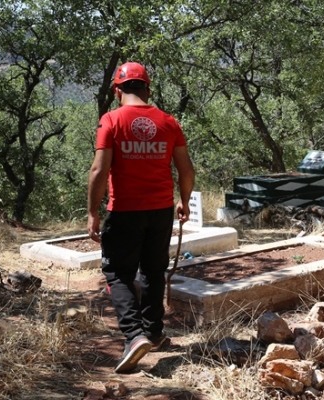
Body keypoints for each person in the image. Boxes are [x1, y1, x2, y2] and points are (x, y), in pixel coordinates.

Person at [87, 62, 195, 374]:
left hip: (125, 211)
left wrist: (92, 212)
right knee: (153, 270)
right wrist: (184, 201)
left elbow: (99, 170)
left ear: (117, 90)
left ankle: (134, 336)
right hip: (161, 210)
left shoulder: (111, 120)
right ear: (147, 89)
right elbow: (186, 169)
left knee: (119, 274)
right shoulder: (168, 122)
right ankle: (155, 333)